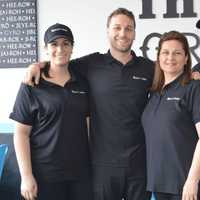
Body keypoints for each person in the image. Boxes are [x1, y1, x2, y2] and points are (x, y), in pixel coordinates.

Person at [24, 8, 154, 200]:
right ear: (108, 31)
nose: (123, 34)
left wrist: (194, 76)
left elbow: (175, 80)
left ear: (134, 33)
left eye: (129, 28)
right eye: (117, 28)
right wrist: (37, 65)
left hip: (140, 165)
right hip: (101, 166)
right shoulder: (91, 63)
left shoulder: (149, 68)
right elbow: (60, 60)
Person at [10, 23, 92, 200]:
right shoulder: (32, 84)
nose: (60, 49)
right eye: (54, 44)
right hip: (45, 176)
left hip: (80, 175)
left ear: (72, 48)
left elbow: (87, 125)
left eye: (66, 43)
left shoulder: (82, 82)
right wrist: (26, 176)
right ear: (46, 48)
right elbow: (20, 134)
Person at [142, 31, 200, 200]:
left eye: (177, 53)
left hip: (184, 187)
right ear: (158, 57)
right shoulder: (154, 93)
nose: (170, 57)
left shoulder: (194, 88)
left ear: (186, 58)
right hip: (156, 185)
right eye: (165, 52)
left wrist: (192, 180)